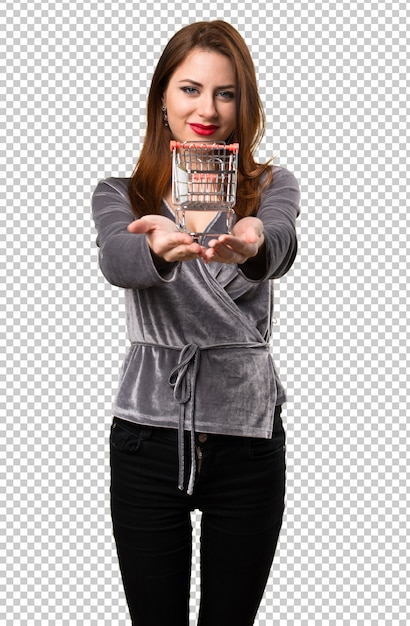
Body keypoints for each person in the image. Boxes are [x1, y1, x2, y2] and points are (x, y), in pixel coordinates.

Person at [92, 20, 300, 626]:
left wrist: (254, 240)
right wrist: (155, 249)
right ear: (162, 98)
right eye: (189, 89)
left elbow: (280, 242)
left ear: (244, 104)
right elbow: (115, 258)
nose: (206, 109)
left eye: (225, 93)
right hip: (148, 434)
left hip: (248, 435)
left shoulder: (269, 187)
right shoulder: (123, 194)